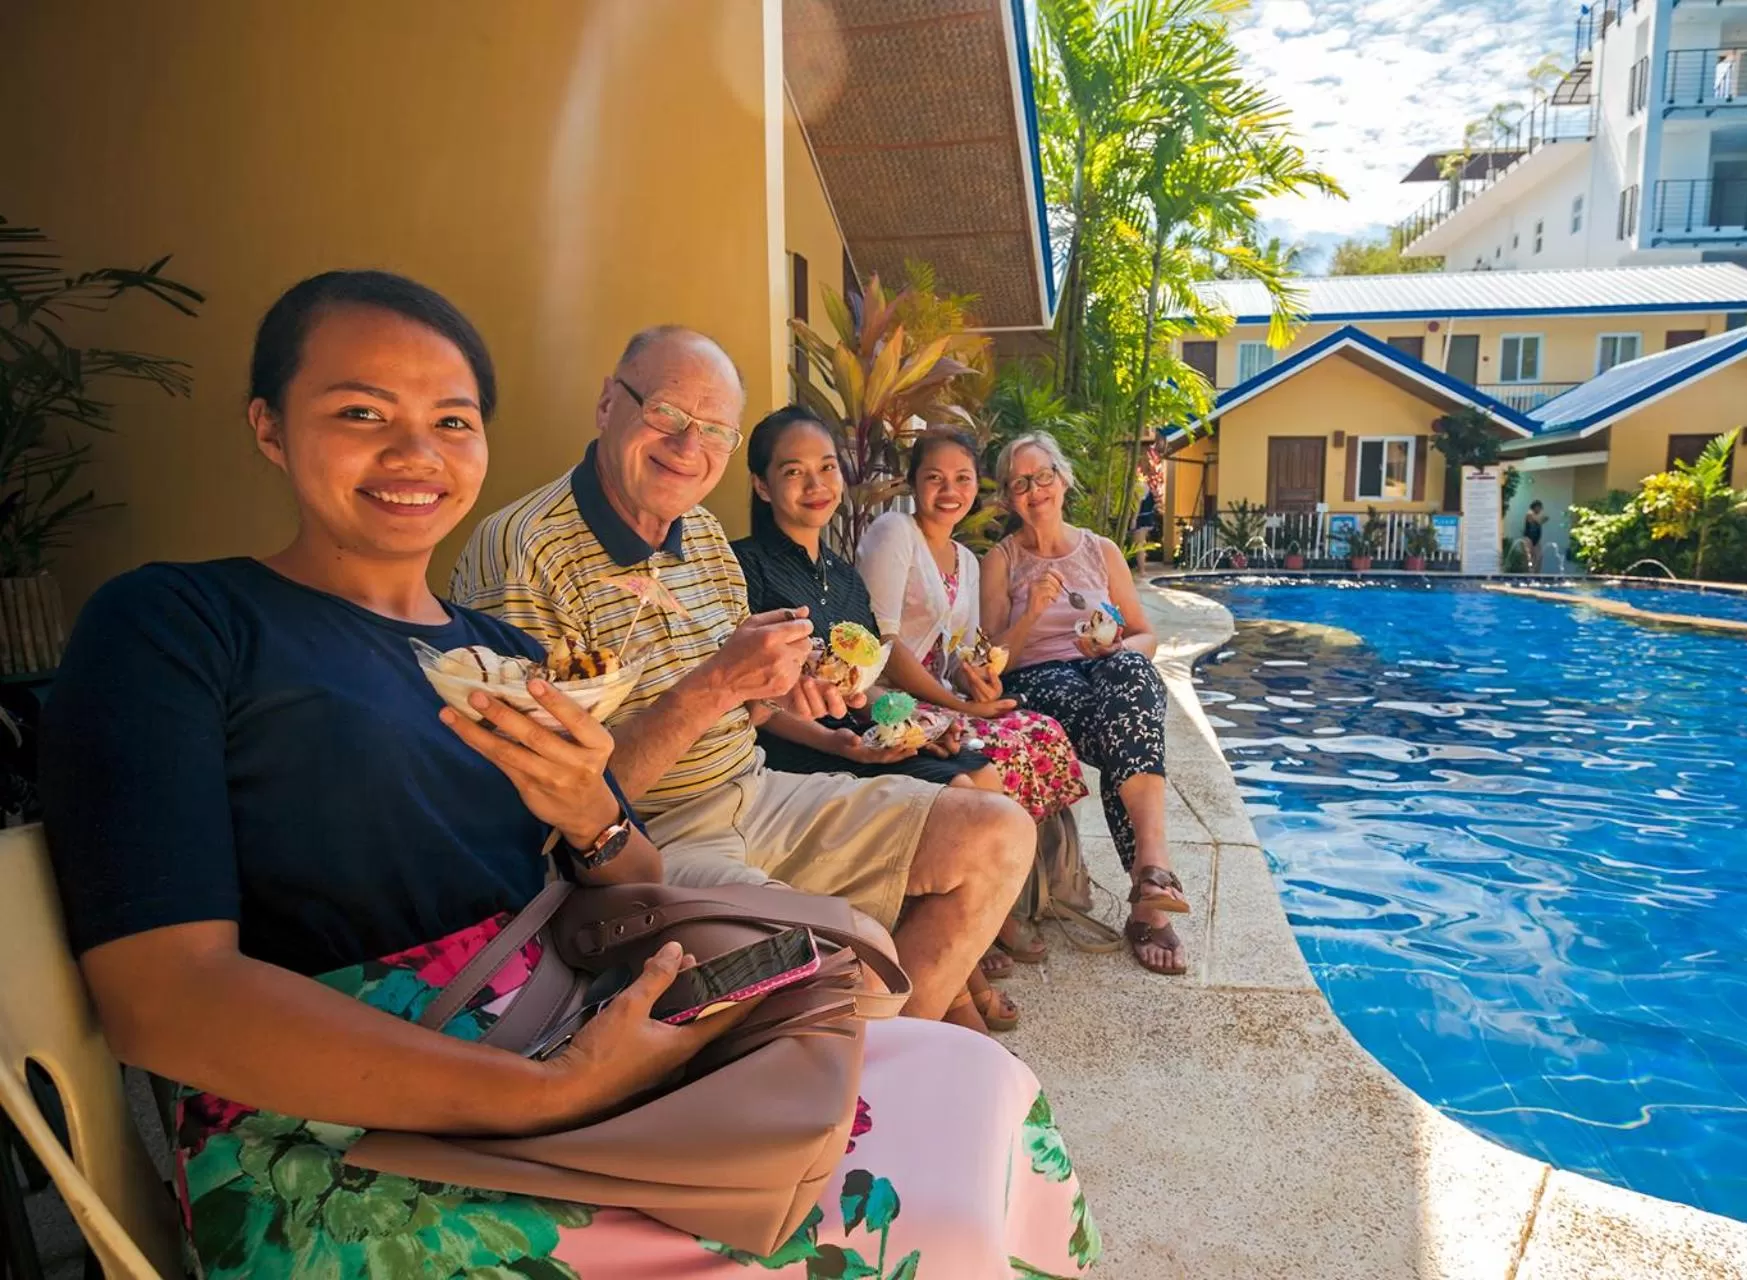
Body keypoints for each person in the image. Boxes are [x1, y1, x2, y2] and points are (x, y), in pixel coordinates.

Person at [38, 272, 1096, 1277]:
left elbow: (617, 862)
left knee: (977, 1092)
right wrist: (542, 1091)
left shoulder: (497, 648)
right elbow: (162, 1000)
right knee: (915, 1213)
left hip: (575, 1008)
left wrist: (590, 808)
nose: (415, 449)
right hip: (357, 1123)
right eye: (361, 412)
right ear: (269, 424)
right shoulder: (180, 624)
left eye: (451, 420)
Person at [450, 326, 1033, 1033]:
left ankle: (865, 1076)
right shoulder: (524, 551)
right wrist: (720, 684)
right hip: (644, 844)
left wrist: (791, 694)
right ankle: (862, 1075)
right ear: (609, 402)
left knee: (996, 831)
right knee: (852, 968)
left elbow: (746, 715)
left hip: (754, 793)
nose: (687, 446)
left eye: (715, 432)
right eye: (666, 414)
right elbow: (548, 812)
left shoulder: (703, 541)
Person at [729, 406, 1020, 1031]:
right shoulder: (744, 568)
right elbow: (753, 706)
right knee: (962, 792)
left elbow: (861, 683)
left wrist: (914, 727)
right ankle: (959, 1000)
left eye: (827, 468)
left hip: (853, 737)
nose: (817, 485)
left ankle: (961, 967)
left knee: (982, 776)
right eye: (794, 471)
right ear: (761, 485)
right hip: (792, 749)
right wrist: (850, 747)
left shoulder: (840, 575)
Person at [856, 428, 1091, 971]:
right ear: (913, 483)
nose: (949, 490)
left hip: (942, 699)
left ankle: (1004, 892)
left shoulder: (966, 558)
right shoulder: (896, 532)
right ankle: (981, 912)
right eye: (934, 477)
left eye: (962, 478)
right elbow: (884, 645)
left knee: (1039, 731)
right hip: (891, 703)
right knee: (996, 751)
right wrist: (962, 707)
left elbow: (963, 652)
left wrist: (980, 680)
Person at [980, 431, 1191, 976]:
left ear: (1064, 479)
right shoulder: (1001, 561)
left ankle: (1150, 863)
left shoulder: (1102, 551)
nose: (1035, 490)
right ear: (1008, 497)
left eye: (1043, 476)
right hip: (1038, 678)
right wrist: (1033, 611)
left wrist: (1113, 646)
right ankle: (1150, 891)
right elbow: (993, 661)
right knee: (1129, 736)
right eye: (1020, 482)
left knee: (1130, 670)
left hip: (1103, 669)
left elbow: (1145, 636)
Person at [1524, 500, 1548, 573]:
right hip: (1529, 538)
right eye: (1540, 508)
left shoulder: (1535, 515)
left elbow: (1540, 520)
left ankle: (1536, 574)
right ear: (1535, 507)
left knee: (1539, 557)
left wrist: (1543, 519)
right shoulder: (1530, 513)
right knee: (1529, 558)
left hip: (1536, 539)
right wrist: (1543, 519)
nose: (1541, 510)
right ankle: (1530, 573)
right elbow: (1538, 520)